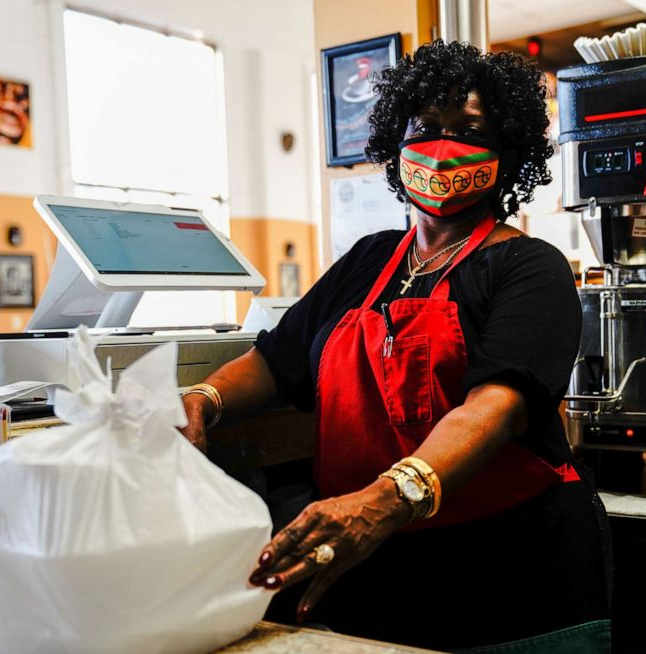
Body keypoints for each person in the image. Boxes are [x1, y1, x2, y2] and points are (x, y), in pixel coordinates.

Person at [181, 40, 612, 653]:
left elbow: (496, 406)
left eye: (468, 131)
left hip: (506, 570)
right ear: (395, 142)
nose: (441, 148)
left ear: (506, 154)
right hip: (373, 563)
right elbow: (275, 363)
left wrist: (386, 500)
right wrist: (203, 399)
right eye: (427, 128)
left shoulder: (530, 267)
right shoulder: (369, 259)